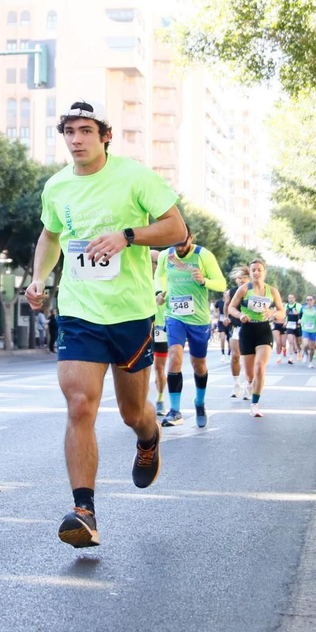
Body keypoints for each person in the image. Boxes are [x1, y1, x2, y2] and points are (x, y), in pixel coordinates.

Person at [26, 99, 185, 548]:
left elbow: (176, 229)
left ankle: (149, 436)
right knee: (79, 404)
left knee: (132, 412)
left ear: (104, 136)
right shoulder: (56, 187)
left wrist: (128, 236)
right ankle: (84, 511)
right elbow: (50, 236)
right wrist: (38, 278)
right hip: (79, 311)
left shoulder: (135, 176)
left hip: (132, 313)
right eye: (69, 132)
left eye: (85, 131)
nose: (76, 140)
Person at [154, 229, 227, 428]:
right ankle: (175, 410)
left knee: (198, 365)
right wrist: (159, 293)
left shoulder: (203, 255)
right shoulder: (165, 255)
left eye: (183, 243)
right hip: (174, 315)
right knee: (174, 356)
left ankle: (200, 403)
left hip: (198, 319)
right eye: (175, 243)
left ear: (191, 238)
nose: (179, 247)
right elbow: (159, 276)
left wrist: (205, 280)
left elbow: (221, 284)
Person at [228, 259, 283, 417]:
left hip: (264, 329)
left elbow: (282, 312)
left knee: (260, 367)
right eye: (253, 270)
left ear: (264, 272)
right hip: (247, 330)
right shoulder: (244, 289)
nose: (256, 273)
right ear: (250, 273)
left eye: (259, 270)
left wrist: (272, 313)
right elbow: (231, 307)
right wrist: (240, 315)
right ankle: (250, 383)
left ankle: (255, 404)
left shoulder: (272, 291)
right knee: (250, 374)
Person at [149, 256, 172, 416]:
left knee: (159, 367)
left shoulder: (167, 282)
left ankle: (159, 399)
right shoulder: (137, 280)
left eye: (154, 261)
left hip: (161, 329)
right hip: (143, 329)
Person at [226, 266, 249, 397]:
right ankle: (236, 384)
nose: (240, 280)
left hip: (252, 326)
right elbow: (227, 305)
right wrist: (226, 317)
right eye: (238, 278)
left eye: (243, 277)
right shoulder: (232, 291)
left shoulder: (254, 290)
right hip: (237, 326)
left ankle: (249, 384)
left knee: (249, 358)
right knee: (235, 355)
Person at [300, 296, 316, 365]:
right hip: (305, 329)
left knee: (312, 347)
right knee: (306, 344)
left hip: (313, 330)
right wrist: (299, 320)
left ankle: (310, 362)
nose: (309, 301)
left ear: (313, 300)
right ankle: (305, 354)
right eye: (307, 300)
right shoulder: (303, 308)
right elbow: (299, 315)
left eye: (310, 300)